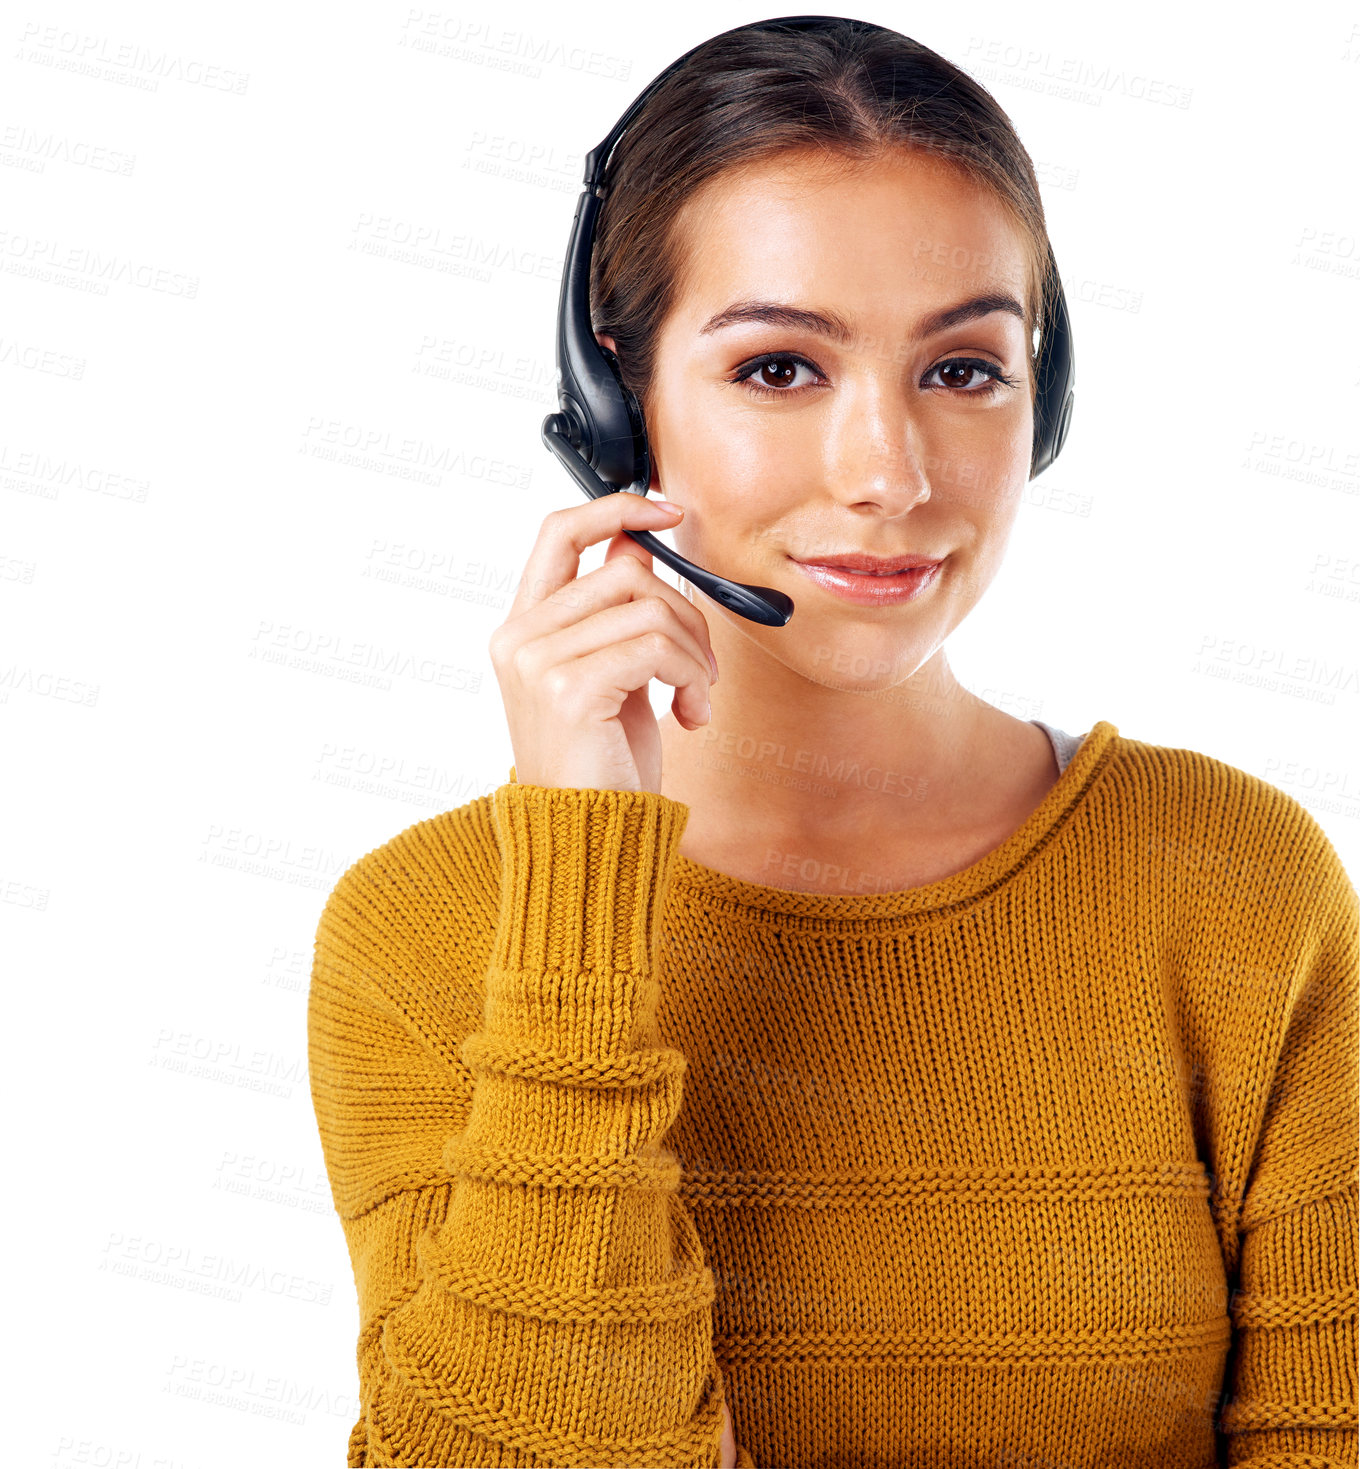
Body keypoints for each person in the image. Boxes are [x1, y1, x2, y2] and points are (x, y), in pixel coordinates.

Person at [307, 17, 1358, 1468]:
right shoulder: (426, 934)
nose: (889, 475)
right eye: (783, 370)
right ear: (622, 403)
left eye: (965, 369)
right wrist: (578, 905)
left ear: (1041, 397)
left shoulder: (1238, 884)